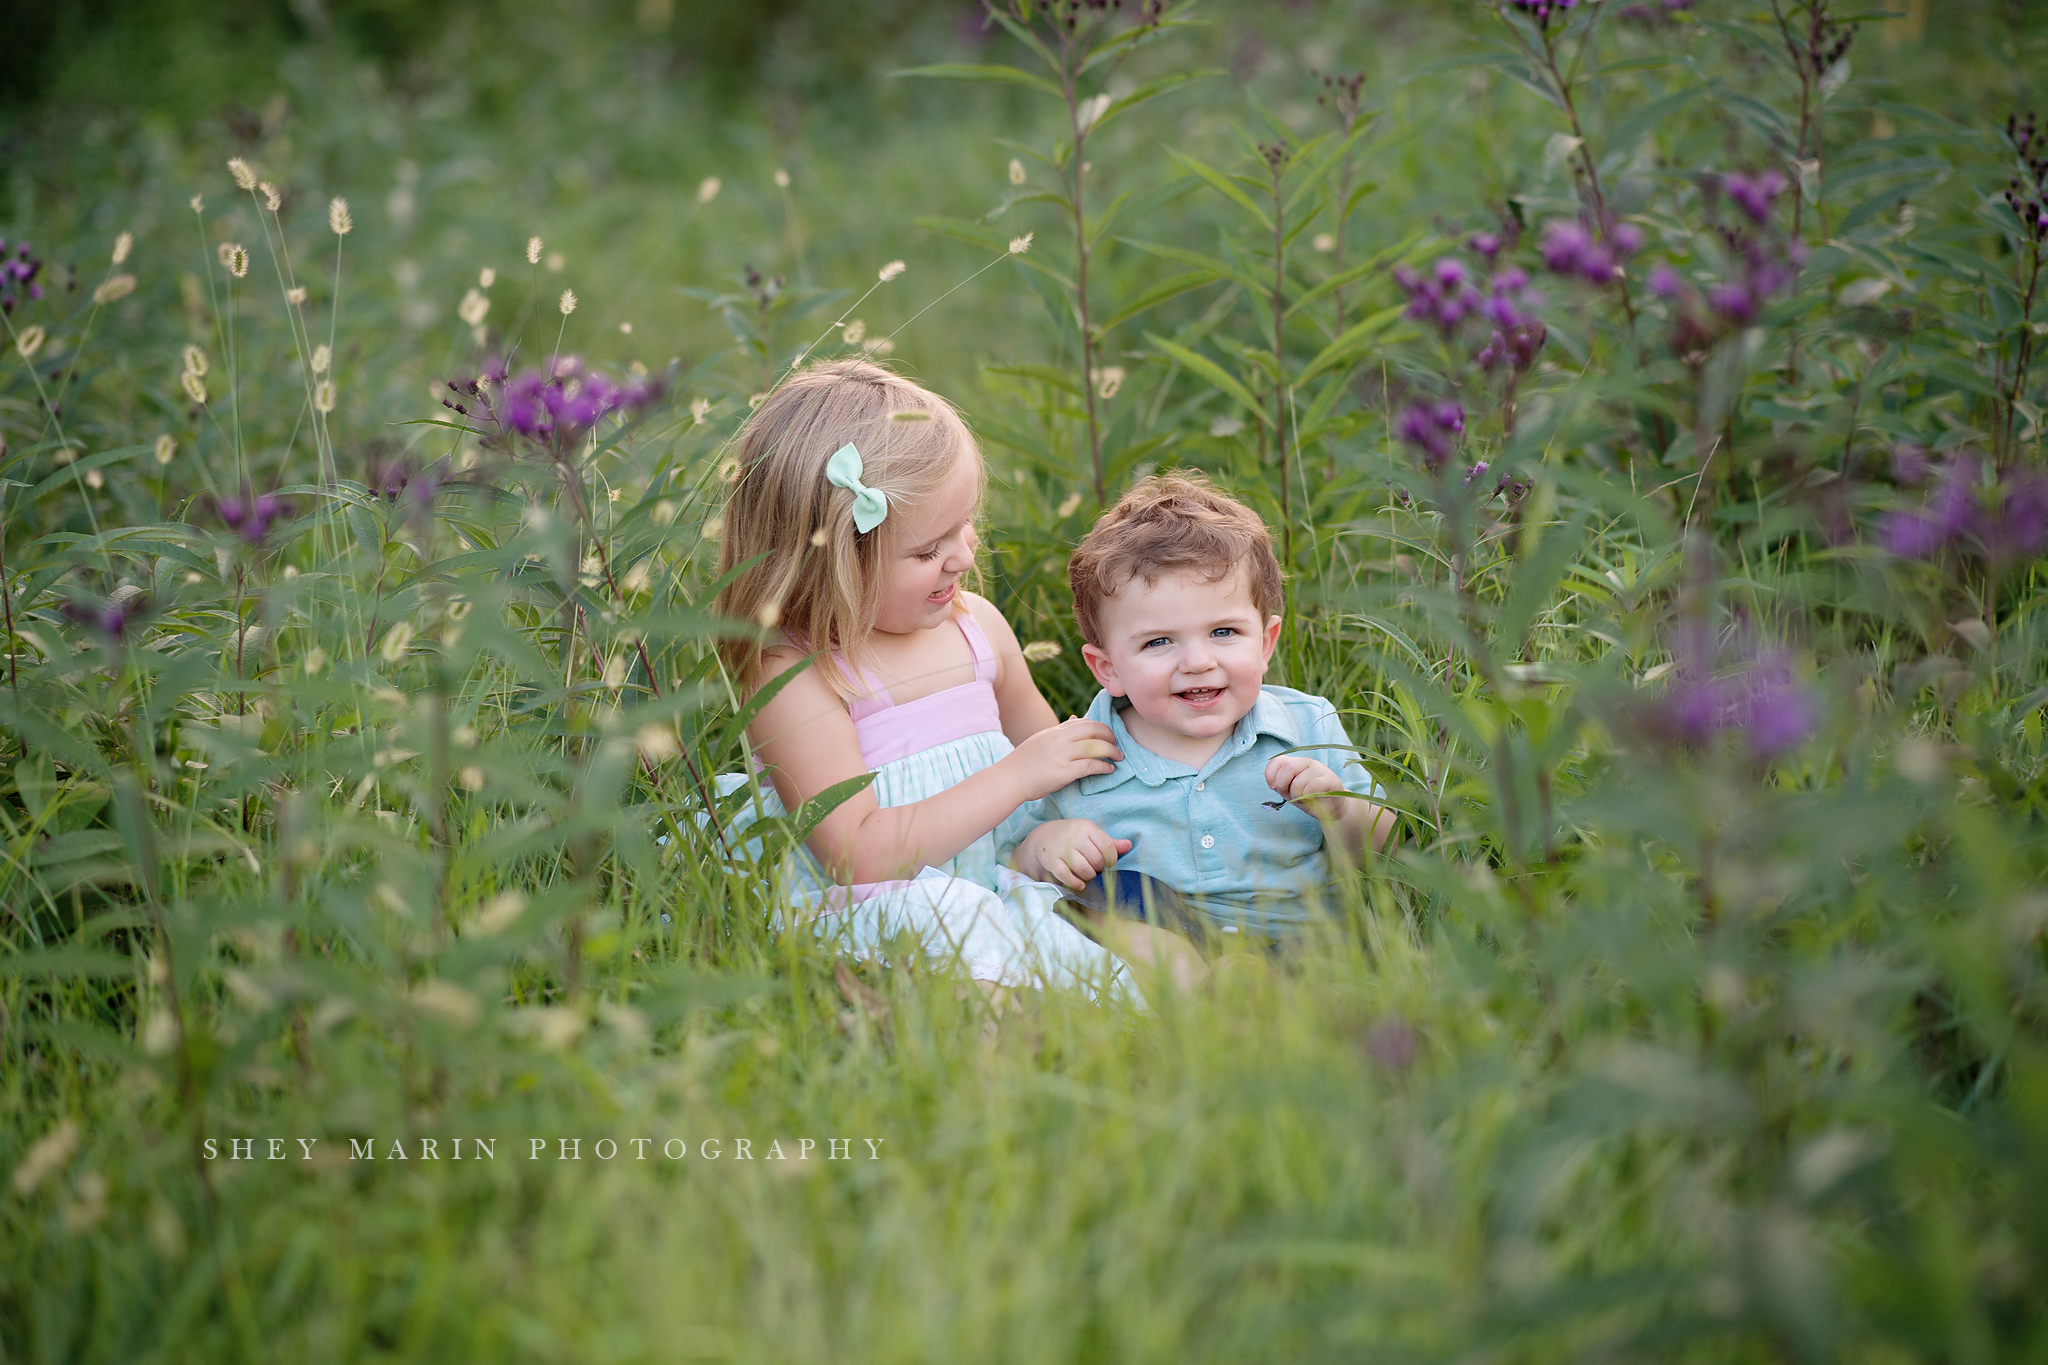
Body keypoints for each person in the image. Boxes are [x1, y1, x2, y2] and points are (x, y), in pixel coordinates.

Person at [711, 359, 1178, 1001]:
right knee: (963, 931)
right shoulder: (794, 672)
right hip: (875, 911)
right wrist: (1016, 776)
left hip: (994, 884)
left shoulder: (976, 629)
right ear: (836, 562)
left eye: (964, 526)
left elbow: (1055, 765)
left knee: (1116, 961)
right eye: (927, 551)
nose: (963, 555)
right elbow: (858, 855)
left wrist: (1054, 831)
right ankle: (988, 1054)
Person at [1006, 473, 1396, 956]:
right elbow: (1012, 863)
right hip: (1160, 949)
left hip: (1296, 941)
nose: (1197, 661)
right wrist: (1046, 844)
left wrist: (1339, 809)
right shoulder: (1081, 756)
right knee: (1111, 901)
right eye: (1159, 642)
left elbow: (1378, 853)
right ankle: (1198, 992)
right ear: (1108, 669)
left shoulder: (1305, 725)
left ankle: (1254, 992)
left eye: (1225, 632)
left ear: (1266, 642)